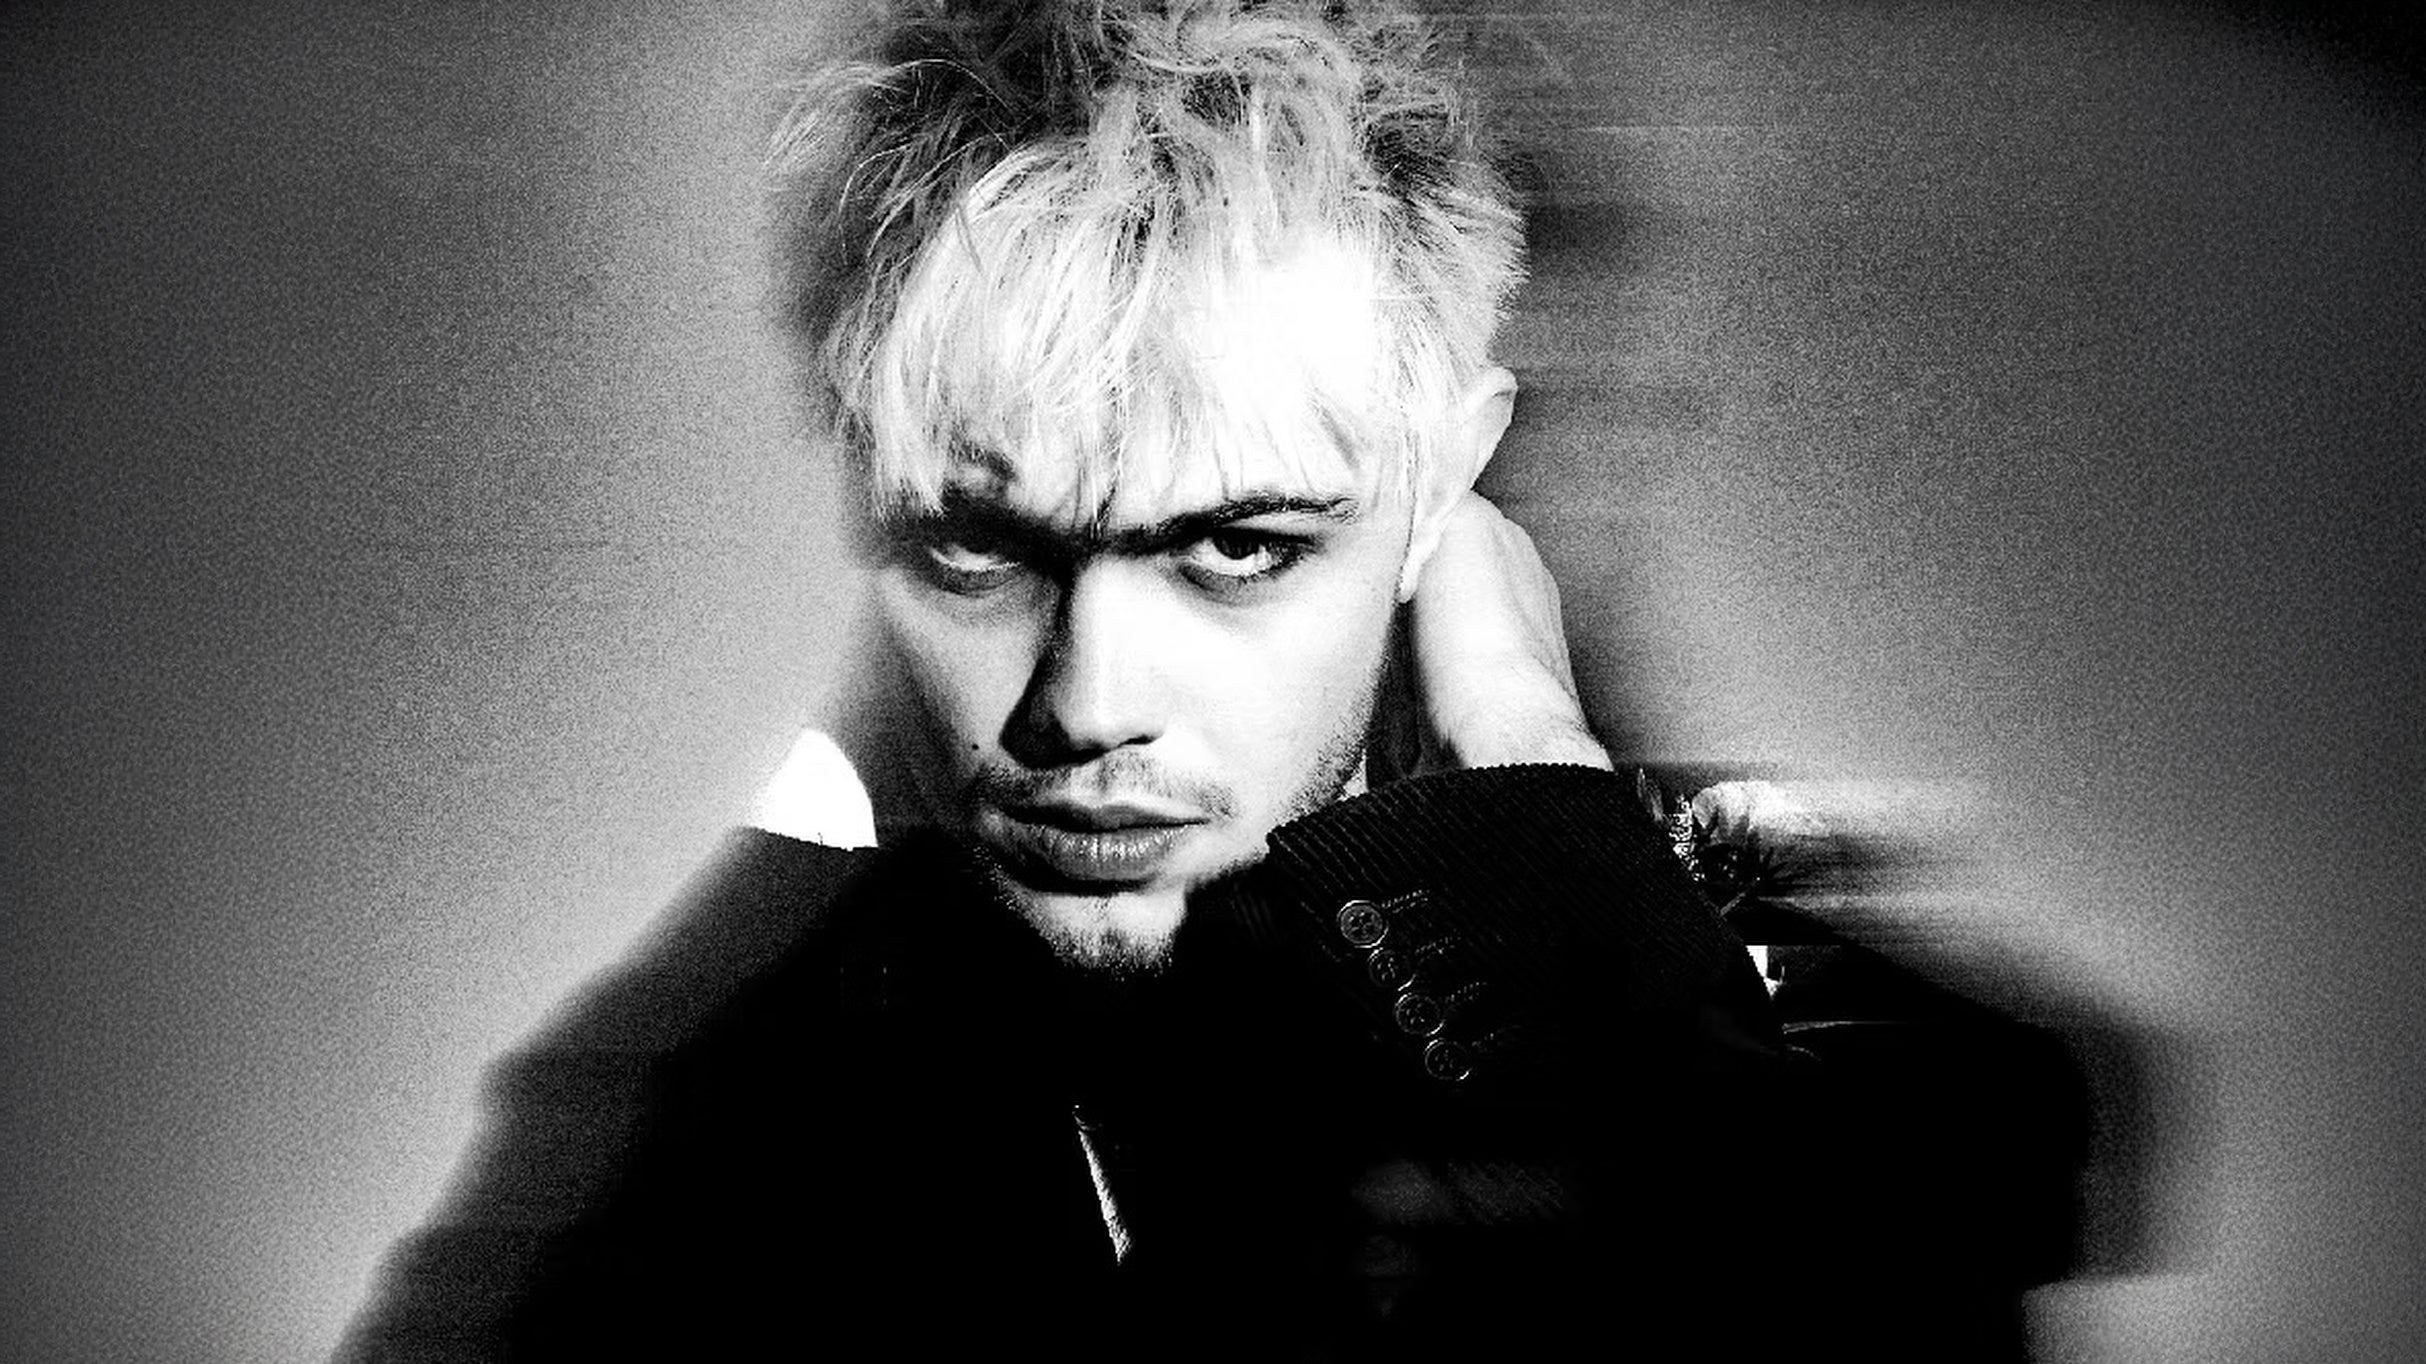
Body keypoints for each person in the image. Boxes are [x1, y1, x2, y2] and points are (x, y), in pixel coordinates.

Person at [338, 2, 1805, 1357]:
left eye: (1237, 546)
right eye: (975, 548)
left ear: (1442, 489)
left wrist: (1531, 756)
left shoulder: (1761, 1034)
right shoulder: (682, 1105)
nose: (1088, 705)